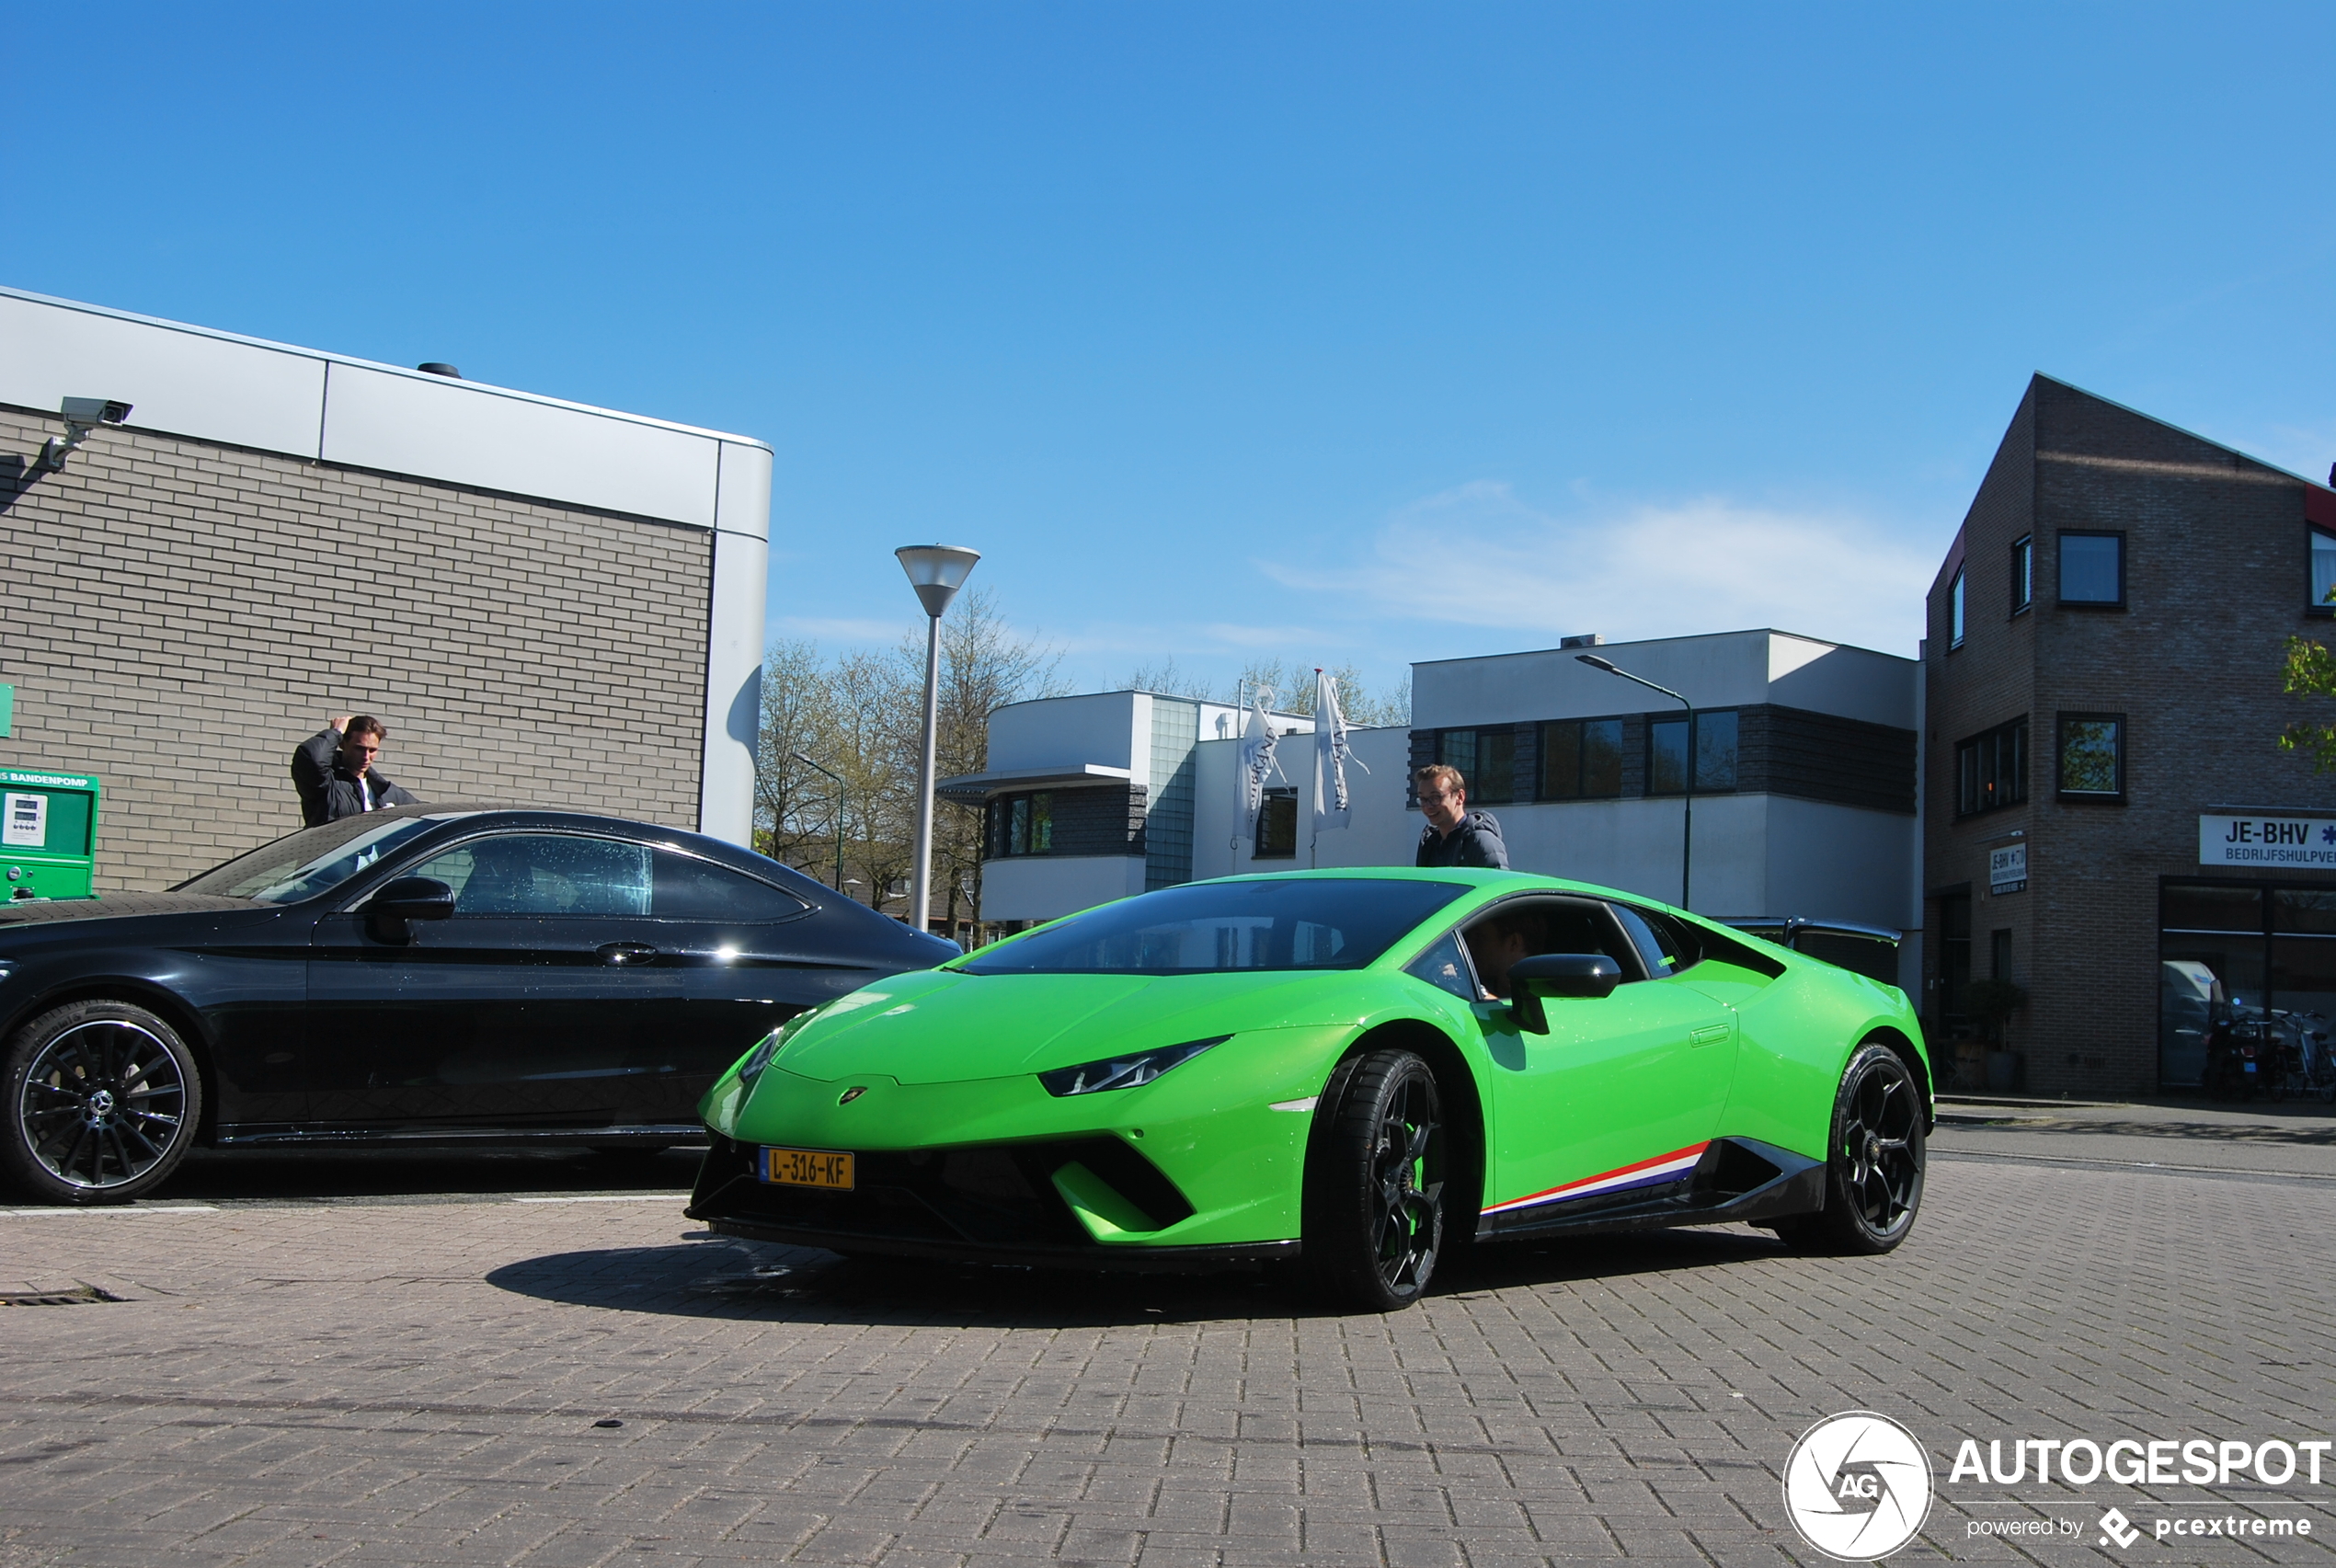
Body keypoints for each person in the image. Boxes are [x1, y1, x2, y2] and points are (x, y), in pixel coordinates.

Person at [291, 715, 418, 826]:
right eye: (359, 749)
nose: (366, 757)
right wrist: (336, 732)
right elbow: (312, 758)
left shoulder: (384, 790)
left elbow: (426, 814)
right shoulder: (327, 784)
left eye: (372, 750)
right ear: (342, 744)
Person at [1414, 763, 1509, 870]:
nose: (1428, 806)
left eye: (1435, 798)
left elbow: (1498, 883)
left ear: (1460, 797)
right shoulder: (1430, 844)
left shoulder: (1481, 841)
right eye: (1423, 799)